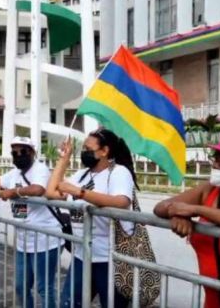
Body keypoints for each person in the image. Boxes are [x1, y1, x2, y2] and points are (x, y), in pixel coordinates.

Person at [45, 128, 137, 308]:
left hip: (110, 259)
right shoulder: (82, 174)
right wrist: (64, 158)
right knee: (68, 304)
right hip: (82, 256)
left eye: (88, 149)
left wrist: (80, 193)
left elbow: (122, 202)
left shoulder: (118, 172)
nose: (84, 153)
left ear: (104, 151)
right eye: (83, 149)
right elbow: (51, 192)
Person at [154, 131, 220, 308]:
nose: (219, 166)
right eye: (217, 159)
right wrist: (178, 214)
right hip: (213, 298)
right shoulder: (210, 190)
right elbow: (161, 207)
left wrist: (195, 210)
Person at [0, 136, 62, 308]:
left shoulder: (40, 169)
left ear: (32, 152)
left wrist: (13, 192)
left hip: (45, 240)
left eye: (23, 151)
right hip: (23, 241)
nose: (18, 155)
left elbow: (38, 189)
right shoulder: (14, 174)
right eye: (14, 152)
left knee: (44, 287)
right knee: (21, 287)